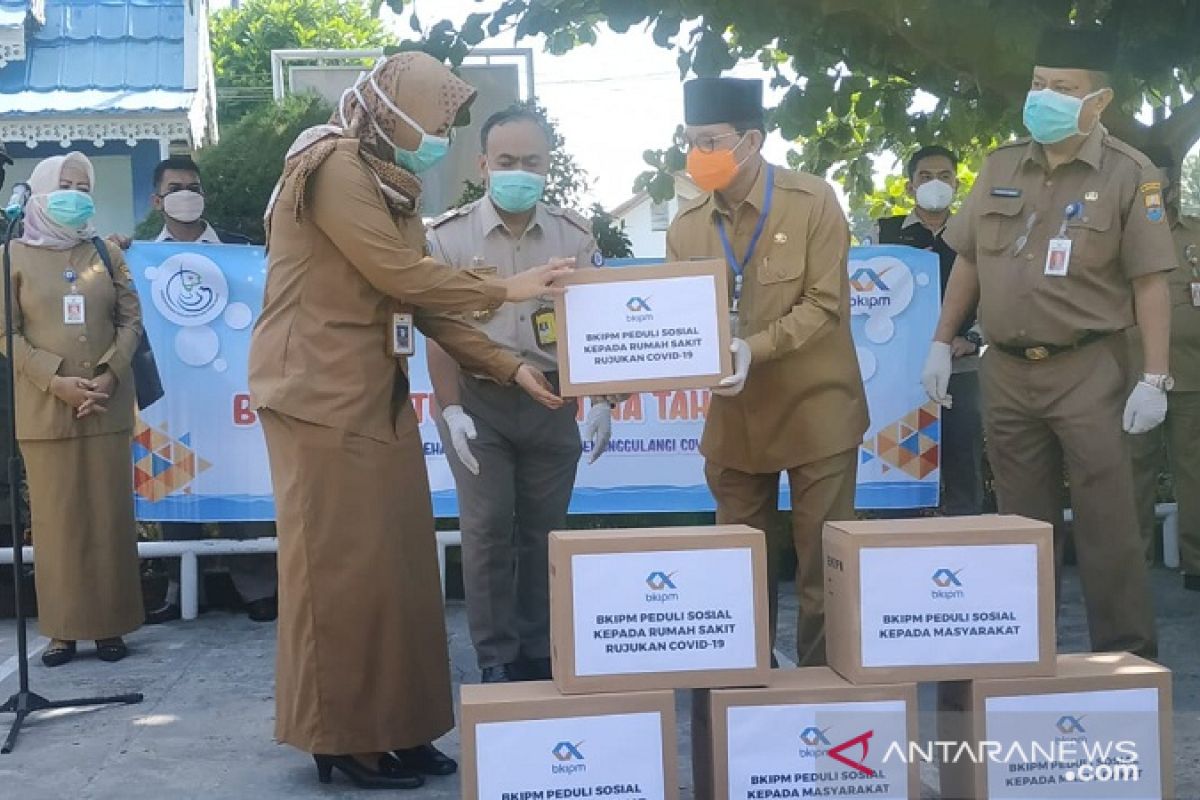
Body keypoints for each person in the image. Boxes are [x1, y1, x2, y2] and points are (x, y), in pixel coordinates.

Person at [248, 52, 573, 789]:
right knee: (342, 574)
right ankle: (344, 736)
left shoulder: (392, 187)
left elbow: (420, 305)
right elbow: (403, 276)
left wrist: (507, 366)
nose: (439, 136)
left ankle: (399, 724)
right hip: (317, 397)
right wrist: (510, 284)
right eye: (434, 120)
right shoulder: (332, 165)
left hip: (374, 394)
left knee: (400, 572)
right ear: (388, 108)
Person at [922, 27, 1175, 659]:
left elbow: (1151, 285)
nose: (1046, 98)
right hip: (1007, 370)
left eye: (1064, 88)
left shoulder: (1129, 175)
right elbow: (970, 263)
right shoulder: (1002, 164)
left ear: (1100, 102)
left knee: (1108, 528)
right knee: (1019, 529)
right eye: (1039, 85)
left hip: (1090, 369)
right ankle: (1022, 658)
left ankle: (1127, 663)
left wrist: (1156, 377)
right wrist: (939, 340)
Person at [667, 77, 869, 667]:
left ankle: (822, 690)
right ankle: (746, 695)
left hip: (816, 409)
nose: (698, 154)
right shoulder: (686, 226)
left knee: (822, 568)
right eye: (690, 141)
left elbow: (825, 304)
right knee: (739, 569)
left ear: (750, 140)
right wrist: (609, 390)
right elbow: (673, 323)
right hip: (735, 418)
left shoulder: (813, 202)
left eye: (711, 140)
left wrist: (753, 346)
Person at [426, 107, 613, 684]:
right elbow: (437, 327)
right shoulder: (446, 237)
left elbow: (600, 323)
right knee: (485, 531)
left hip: (552, 400)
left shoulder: (573, 236)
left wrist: (604, 399)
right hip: (477, 401)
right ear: (483, 164)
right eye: (506, 161)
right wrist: (450, 407)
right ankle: (497, 656)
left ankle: (539, 646)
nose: (519, 171)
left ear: (548, 164)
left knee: (544, 531)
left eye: (531, 161)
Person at [1, 152, 144, 666]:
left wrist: (107, 372)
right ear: (40, 189)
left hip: (106, 406)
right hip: (46, 411)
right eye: (66, 185)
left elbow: (131, 320)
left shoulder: (105, 252)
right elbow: (5, 332)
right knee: (58, 524)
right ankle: (61, 630)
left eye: (85, 187)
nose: (77, 195)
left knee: (109, 519)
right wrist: (54, 380)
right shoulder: (10, 255)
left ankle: (110, 627)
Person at [138, 156, 276, 625]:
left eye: (194, 186)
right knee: (173, 494)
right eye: (176, 187)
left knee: (243, 489)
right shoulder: (136, 258)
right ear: (157, 201)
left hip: (234, 395)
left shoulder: (242, 253)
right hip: (168, 399)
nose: (187, 194)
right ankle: (179, 592)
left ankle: (258, 588)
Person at [874, 146, 985, 515]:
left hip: (961, 366)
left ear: (956, 184)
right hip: (899, 370)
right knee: (898, 454)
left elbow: (996, 293)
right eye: (925, 176)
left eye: (944, 176)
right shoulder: (885, 232)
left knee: (962, 455)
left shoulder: (976, 234)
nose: (935, 183)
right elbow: (866, 294)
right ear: (909, 187)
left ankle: (964, 542)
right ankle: (900, 540)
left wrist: (971, 339)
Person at [1126, 148, 1200, 586]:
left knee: (1194, 471)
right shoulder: (1122, 226)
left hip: (1191, 374)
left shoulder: (1194, 230)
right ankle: (1132, 564)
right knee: (1132, 471)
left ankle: (1197, 563)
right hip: (1133, 374)